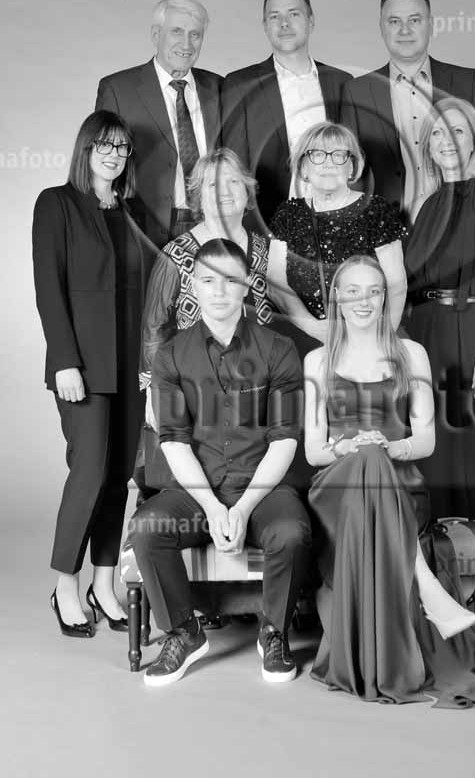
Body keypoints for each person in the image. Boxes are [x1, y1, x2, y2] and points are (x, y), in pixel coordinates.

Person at [304, 256, 475, 707]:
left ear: (384, 298)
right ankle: (426, 584)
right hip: (337, 489)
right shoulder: (317, 360)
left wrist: (388, 448)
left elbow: (425, 440)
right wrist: (351, 448)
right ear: (337, 299)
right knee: (365, 455)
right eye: (353, 291)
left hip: (401, 483)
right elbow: (314, 452)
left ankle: (420, 585)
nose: (364, 300)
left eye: (373, 291)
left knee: (374, 456)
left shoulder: (412, 355)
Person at [131, 239, 312, 686]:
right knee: (148, 528)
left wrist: (244, 508)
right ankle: (184, 632)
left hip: (264, 488)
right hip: (197, 490)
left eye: (229, 280)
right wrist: (212, 507)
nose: (218, 291)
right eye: (208, 280)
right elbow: (174, 442)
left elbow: (284, 440)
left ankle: (274, 631)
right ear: (193, 285)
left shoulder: (279, 349)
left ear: (247, 285)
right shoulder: (170, 355)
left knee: (291, 533)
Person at [32, 111, 150, 637]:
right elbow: (48, 288)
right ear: (85, 149)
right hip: (82, 364)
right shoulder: (56, 204)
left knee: (120, 473)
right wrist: (64, 360)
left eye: (122, 148)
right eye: (104, 145)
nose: (114, 155)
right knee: (90, 472)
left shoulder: (134, 212)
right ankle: (66, 585)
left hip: (131, 366)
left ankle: (105, 583)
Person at [404, 97, 475, 561]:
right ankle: (447, 568)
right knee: (437, 452)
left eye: (457, 131)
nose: (447, 141)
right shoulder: (423, 204)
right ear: (427, 145)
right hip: (427, 335)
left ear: (473, 140)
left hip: (473, 330)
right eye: (437, 132)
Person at [139, 147, 273, 487]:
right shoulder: (175, 254)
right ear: (199, 196)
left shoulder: (267, 250)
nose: (224, 192)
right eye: (213, 185)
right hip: (194, 389)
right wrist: (155, 390)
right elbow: (155, 327)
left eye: (233, 182)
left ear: (247, 190)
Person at [340, 0, 475, 222]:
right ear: (381, 28)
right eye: (394, 21)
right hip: (385, 231)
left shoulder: (467, 83)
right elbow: (350, 174)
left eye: (414, 20)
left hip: (458, 224)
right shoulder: (356, 92)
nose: (405, 30)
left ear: (430, 25)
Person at [267, 122, 408, 354]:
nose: (328, 163)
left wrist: (381, 342)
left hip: (372, 338)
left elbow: (396, 284)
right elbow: (276, 284)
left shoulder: (376, 210)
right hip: (305, 341)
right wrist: (314, 328)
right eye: (317, 154)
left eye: (339, 155)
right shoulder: (288, 215)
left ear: (351, 167)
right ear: (303, 167)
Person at [96, 0, 224, 247]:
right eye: (177, 32)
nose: (186, 44)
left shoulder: (220, 87)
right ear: (156, 35)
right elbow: (101, 167)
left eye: (195, 35)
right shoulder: (118, 90)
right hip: (144, 230)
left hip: (213, 227)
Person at [222, 0, 352, 229]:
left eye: (294, 14)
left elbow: (355, 157)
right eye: (274, 16)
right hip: (266, 225)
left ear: (311, 21)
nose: (284, 23)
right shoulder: (240, 85)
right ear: (265, 26)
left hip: (336, 221)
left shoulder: (342, 82)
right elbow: (232, 167)